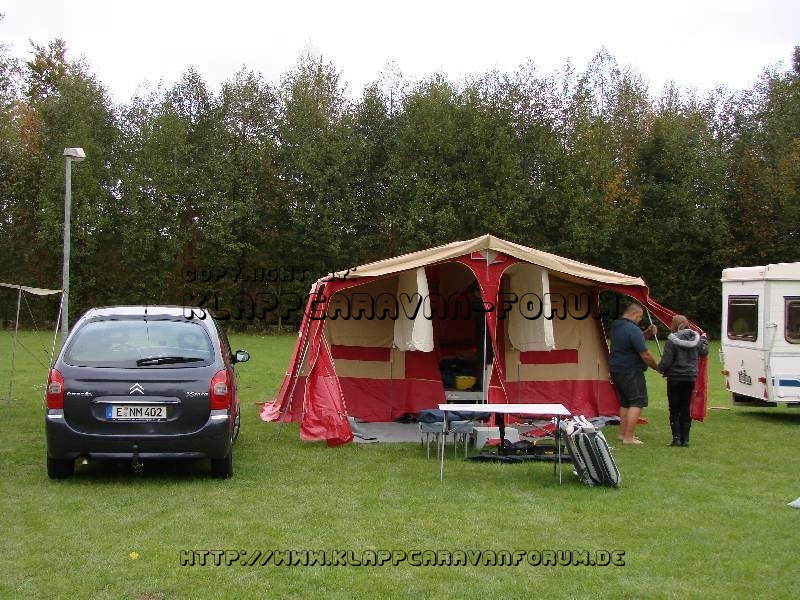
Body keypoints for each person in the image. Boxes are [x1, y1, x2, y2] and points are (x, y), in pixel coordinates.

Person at [608, 303, 660, 445]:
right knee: (637, 401)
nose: (640, 320)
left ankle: (622, 434)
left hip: (616, 369)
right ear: (635, 315)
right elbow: (645, 354)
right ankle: (628, 437)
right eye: (640, 318)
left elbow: (631, 340)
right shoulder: (633, 329)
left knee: (625, 402)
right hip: (631, 371)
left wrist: (647, 333)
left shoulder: (617, 326)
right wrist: (657, 367)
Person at [658, 315, 709, 447]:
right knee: (685, 407)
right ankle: (685, 439)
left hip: (675, 378)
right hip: (690, 377)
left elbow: (666, 362)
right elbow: (704, 352)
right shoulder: (696, 339)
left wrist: (661, 369)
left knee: (674, 408)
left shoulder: (671, 340)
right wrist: (704, 339)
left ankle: (676, 438)